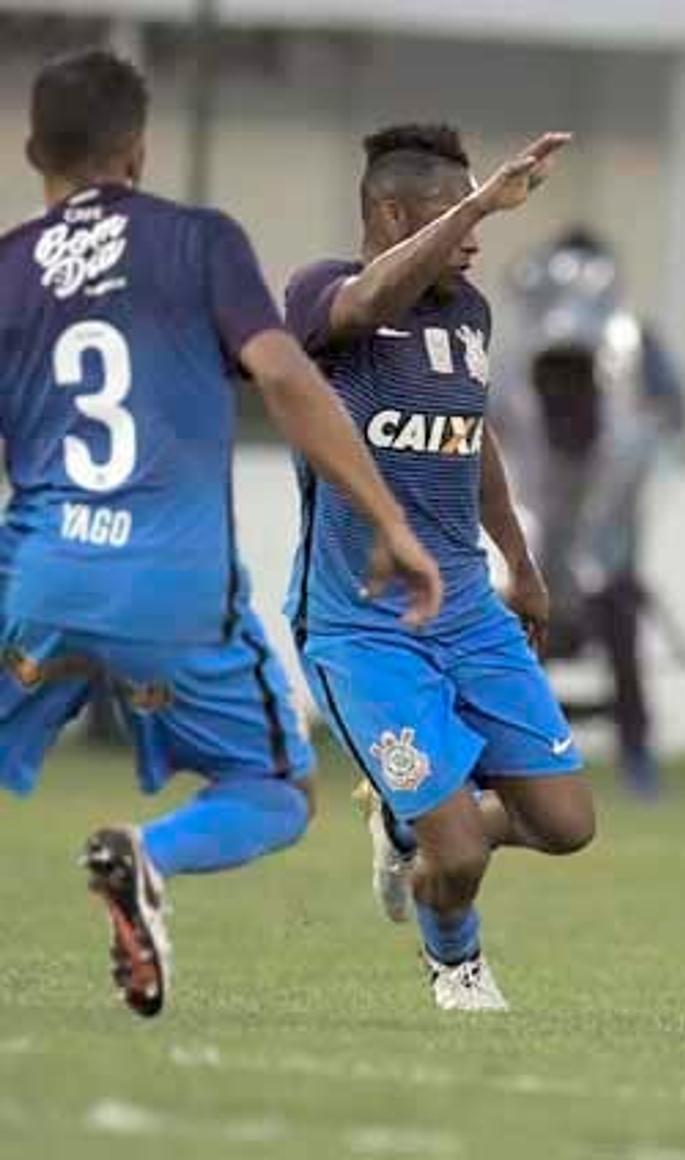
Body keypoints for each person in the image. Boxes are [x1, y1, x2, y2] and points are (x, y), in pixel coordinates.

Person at [0, 50, 441, 1017]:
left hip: (38, 575)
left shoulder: (8, 268)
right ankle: (146, 855)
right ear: (141, 152)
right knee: (275, 789)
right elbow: (286, 376)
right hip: (175, 588)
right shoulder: (199, 243)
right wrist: (388, 519)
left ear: (34, 150)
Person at [285, 123, 594, 1012]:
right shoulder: (321, 297)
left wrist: (520, 561)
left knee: (566, 825)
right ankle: (457, 967)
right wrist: (482, 194)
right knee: (455, 855)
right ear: (390, 213)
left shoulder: (468, 313)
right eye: (455, 211)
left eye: (479, 211)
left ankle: (401, 819)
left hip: (467, 612)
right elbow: (365, 306)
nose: (476, 231)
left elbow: (472, 437)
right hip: (360, 628)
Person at [493, 227, 685, 798]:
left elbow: (664, 426)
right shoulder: (512, 378)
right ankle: (508, 754)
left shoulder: (631, 366)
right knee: (503, 632)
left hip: (603, 556)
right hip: (527, 554)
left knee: (620, 616)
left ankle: (637, 756)